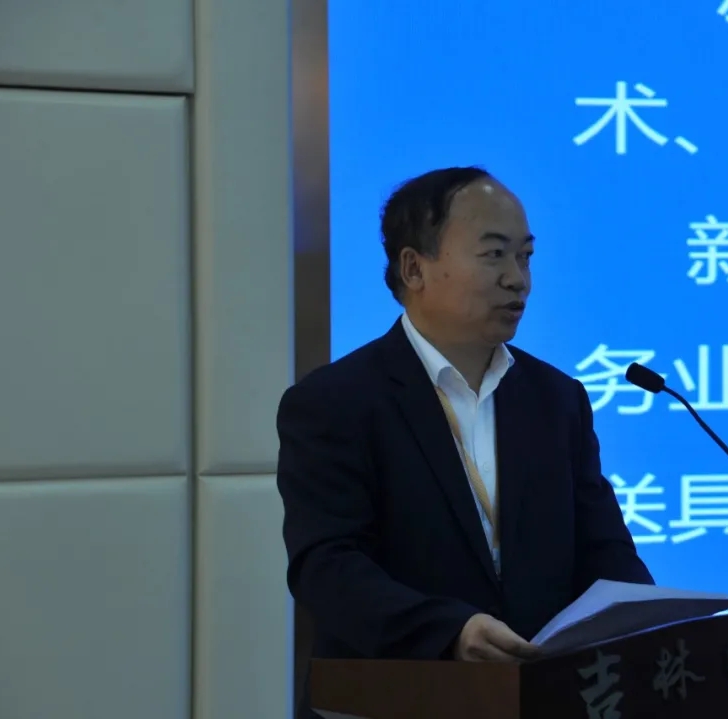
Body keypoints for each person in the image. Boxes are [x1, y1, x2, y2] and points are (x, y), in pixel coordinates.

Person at [277, 166, 653, 703]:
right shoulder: (335, 402)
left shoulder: (555, 399)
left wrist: (648, 617)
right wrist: (451, 631)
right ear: (414, 268)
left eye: (525, 256)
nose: (518, 279)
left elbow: (604, 549)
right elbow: (327, 568)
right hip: (397, 700)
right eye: (494, 254)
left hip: (541, 699)